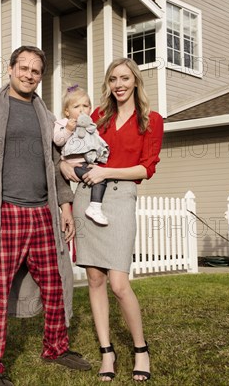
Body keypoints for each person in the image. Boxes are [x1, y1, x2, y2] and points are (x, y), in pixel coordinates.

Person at [0, 46, 91, 386]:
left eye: (35, 70)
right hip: (4, 213)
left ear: (41, 76)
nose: (28, 75)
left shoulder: (46, 117)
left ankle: (56, 347)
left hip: (42, 212)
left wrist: (65, 206)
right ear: (11, 69)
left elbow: (56, 166)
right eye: (23, 68)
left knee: (55, 282)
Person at [60, 58, 164, 382]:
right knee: (94, 279)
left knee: (118, 284)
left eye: (124, 78)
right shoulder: (96, 119)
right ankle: (107, 351)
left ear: (135, 81)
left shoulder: (152, 120)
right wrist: (66, 168)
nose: (118, 84)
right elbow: (68, 148)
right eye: (113, 79)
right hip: (87, 196)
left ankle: (140, 348)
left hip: (120, 198)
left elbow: (146, 168)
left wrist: (107, 171)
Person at [53, 85, 110, 225]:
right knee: (98, 179)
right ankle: (94, 207)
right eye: (76, 106)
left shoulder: (90, 127)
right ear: (67, 111)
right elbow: (57, 141)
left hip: (86, 162)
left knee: (100, 176)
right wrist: (68, 130)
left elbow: (95, 143)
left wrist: (97, 157)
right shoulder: (62, 123)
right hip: (72, 164)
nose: (81, 109)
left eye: (85, 105)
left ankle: (94, 206)